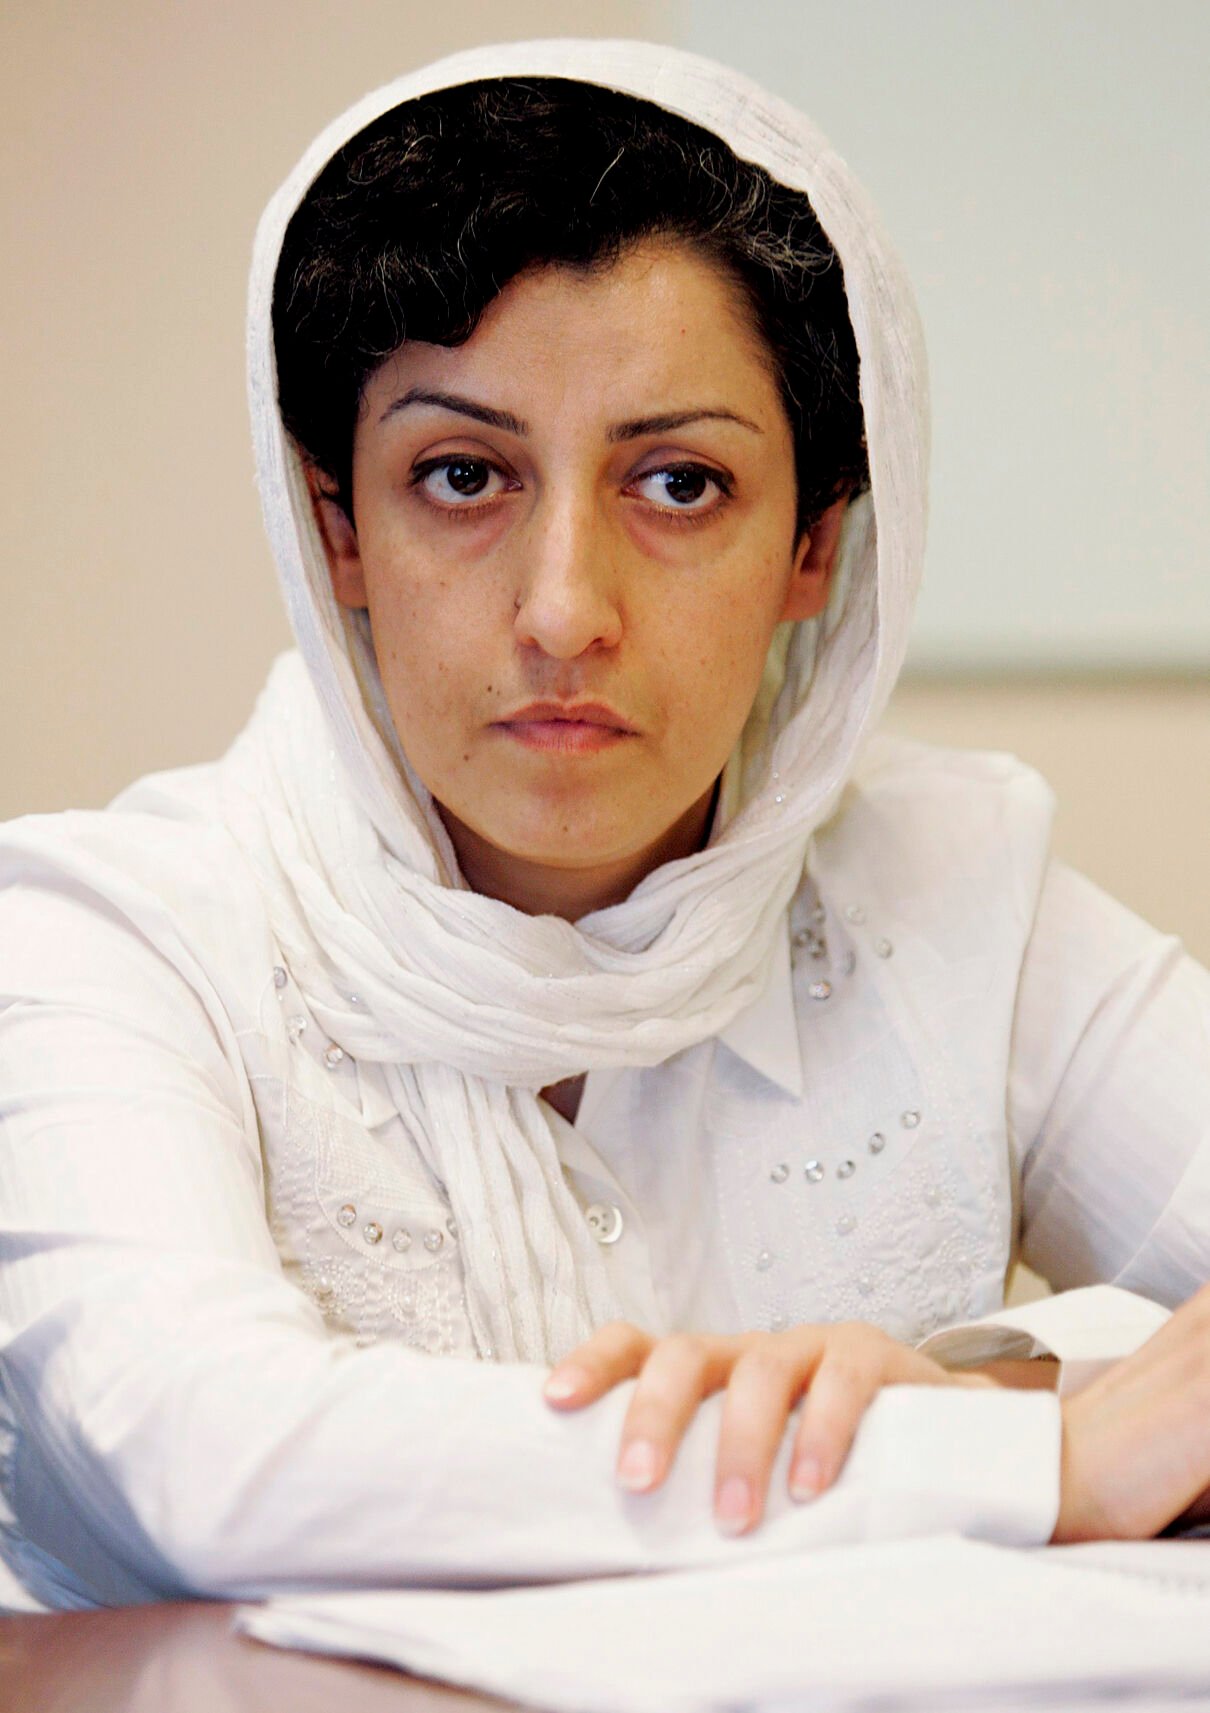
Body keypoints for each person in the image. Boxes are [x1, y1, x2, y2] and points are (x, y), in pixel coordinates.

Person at [0, 37, 1207, 1613]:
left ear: (815, 545)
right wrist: (1016, 1456)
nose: (565, 609)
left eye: (679, 485)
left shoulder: (955, 887)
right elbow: (208, 1457)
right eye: (460, 474)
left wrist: (1019, 1376)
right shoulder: (106, 935)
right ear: (335, 526)